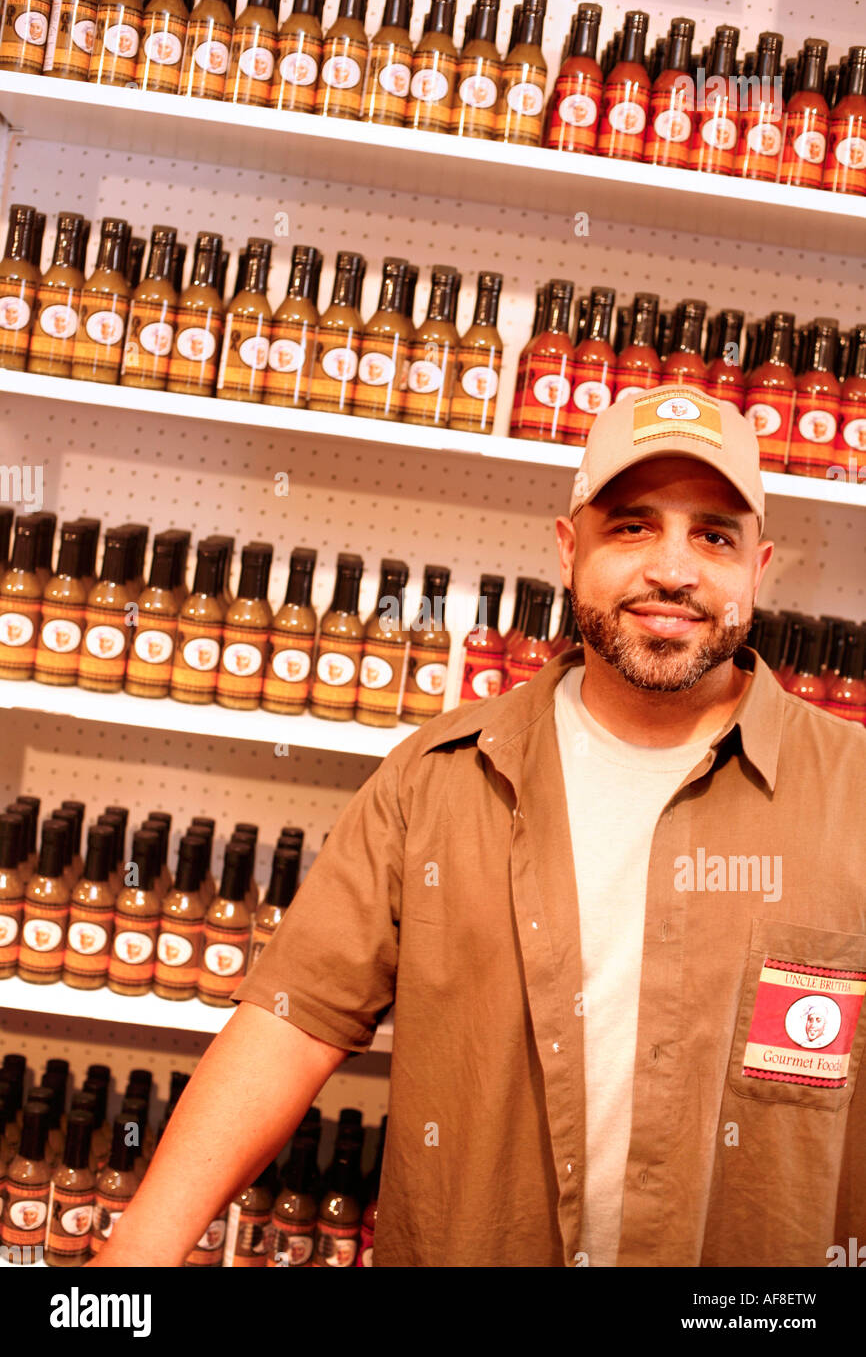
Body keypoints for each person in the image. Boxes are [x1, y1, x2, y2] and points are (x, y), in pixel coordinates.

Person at [89, 384, 866, 1268]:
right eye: (632, 526)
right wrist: (130, 1268)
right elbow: (292, 1024)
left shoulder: (853, 795)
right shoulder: (438, 779)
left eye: (713, 535)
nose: (675, 571)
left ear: (757, 569)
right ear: (569, 551)